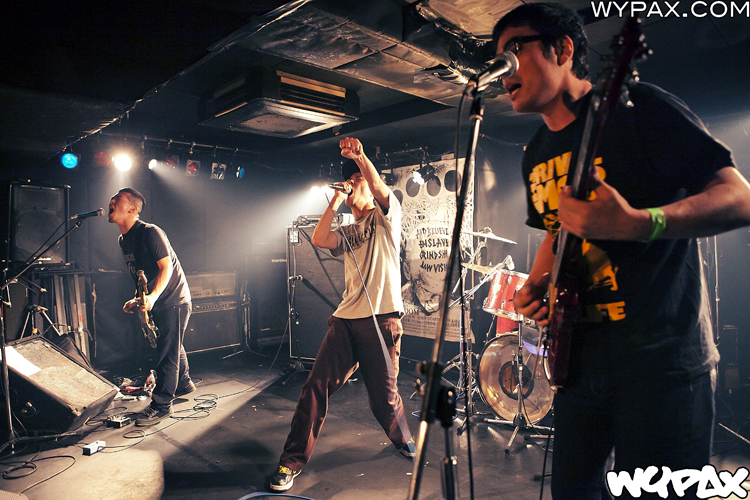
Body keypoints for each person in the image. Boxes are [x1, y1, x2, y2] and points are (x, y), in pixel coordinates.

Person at [492, 4, 750, 499]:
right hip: (577, 365)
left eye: (515, 48)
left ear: (562, 49)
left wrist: (640, 223)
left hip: (660, 366)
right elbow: (554, 233)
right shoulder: (536, 151)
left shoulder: (639, 109)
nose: (504, 67)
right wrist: (536, 285)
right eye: (498, 56)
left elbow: (739, 198)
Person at [269, 138, 415, 492]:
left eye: (355, 182)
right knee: (314, 388)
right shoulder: (348, 230)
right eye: (347, 182)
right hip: (346, 320)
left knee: (384, 400)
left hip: (381, 319)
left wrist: (361, 158)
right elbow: (319, 239)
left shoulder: (387, 216)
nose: (350, 186)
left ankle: (405, 439)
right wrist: (336, 200)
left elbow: (378, 186)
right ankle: (291, 461)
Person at [108, 187, 196, 426]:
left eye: (117, 199)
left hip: (174, 300)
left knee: (167, 352)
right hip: (157, 300)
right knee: (171, 343)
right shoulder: (124, 240)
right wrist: (138, 298)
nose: (111, 201)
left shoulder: (150, 232)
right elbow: (142, 275)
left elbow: (166, 268)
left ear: (133, 209)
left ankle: (162, 405)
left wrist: (153, 296)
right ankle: (183, 383)